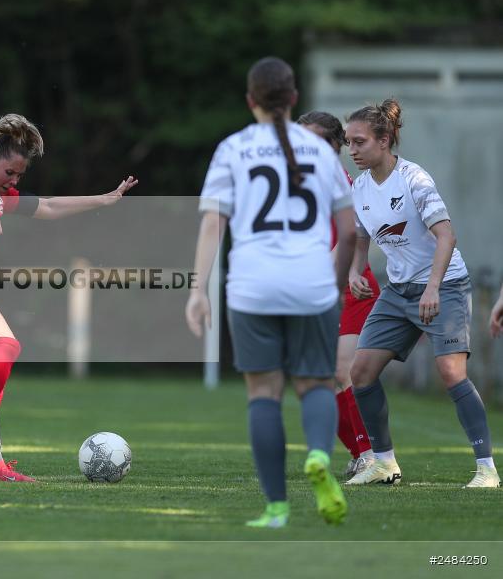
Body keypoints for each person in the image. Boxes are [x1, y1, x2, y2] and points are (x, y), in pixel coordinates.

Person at [186, 57, 356, 528]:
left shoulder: (233, 149)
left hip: (251, 285)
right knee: (316, 383)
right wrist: (336, 284)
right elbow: (349, 228)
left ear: (250, 100)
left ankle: (277, 509)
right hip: (311, 282)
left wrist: (198, 291)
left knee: (264, 392)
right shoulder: (321, 151)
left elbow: (211, 227)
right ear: (294, 99)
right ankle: (320, 455)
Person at [0, 113, 138, 482]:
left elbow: (48, 206)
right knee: (6, 345)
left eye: (20, 176)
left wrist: (105, 198)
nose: (15, 181)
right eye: (10, 173)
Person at [343, 99, 499, 488]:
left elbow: (447, 236)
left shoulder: (415, 179)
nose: (352, 149)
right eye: (348, 142)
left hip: (443, 284)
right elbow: (361, 238)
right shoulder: (360, 187)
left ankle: (487, 470)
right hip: (398, 290)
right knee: (360, 373)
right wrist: (353, 271)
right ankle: (384, 463)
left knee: (450, 372)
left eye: (359, 141)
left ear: (384, 140)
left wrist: (432, 288)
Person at [297, 111, 378, 479]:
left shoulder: (341, 184)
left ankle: (370, 455)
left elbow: (351, 239)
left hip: (348, 287)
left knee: (341, 371)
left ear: (335, 146)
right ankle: (361, 452)